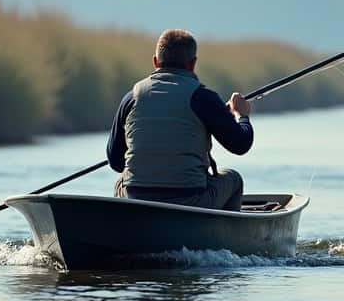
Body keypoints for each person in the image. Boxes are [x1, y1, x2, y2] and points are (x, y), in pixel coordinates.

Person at [106, 28, 253, 211]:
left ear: (155, 62)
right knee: (234, 179)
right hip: (191, 200)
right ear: (193, 64)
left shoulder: (131, 97)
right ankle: (224, 235)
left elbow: (115, 161)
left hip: (136, 198)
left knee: (120, 182)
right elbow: (240, 144)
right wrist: (242, 115)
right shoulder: (204, 98)